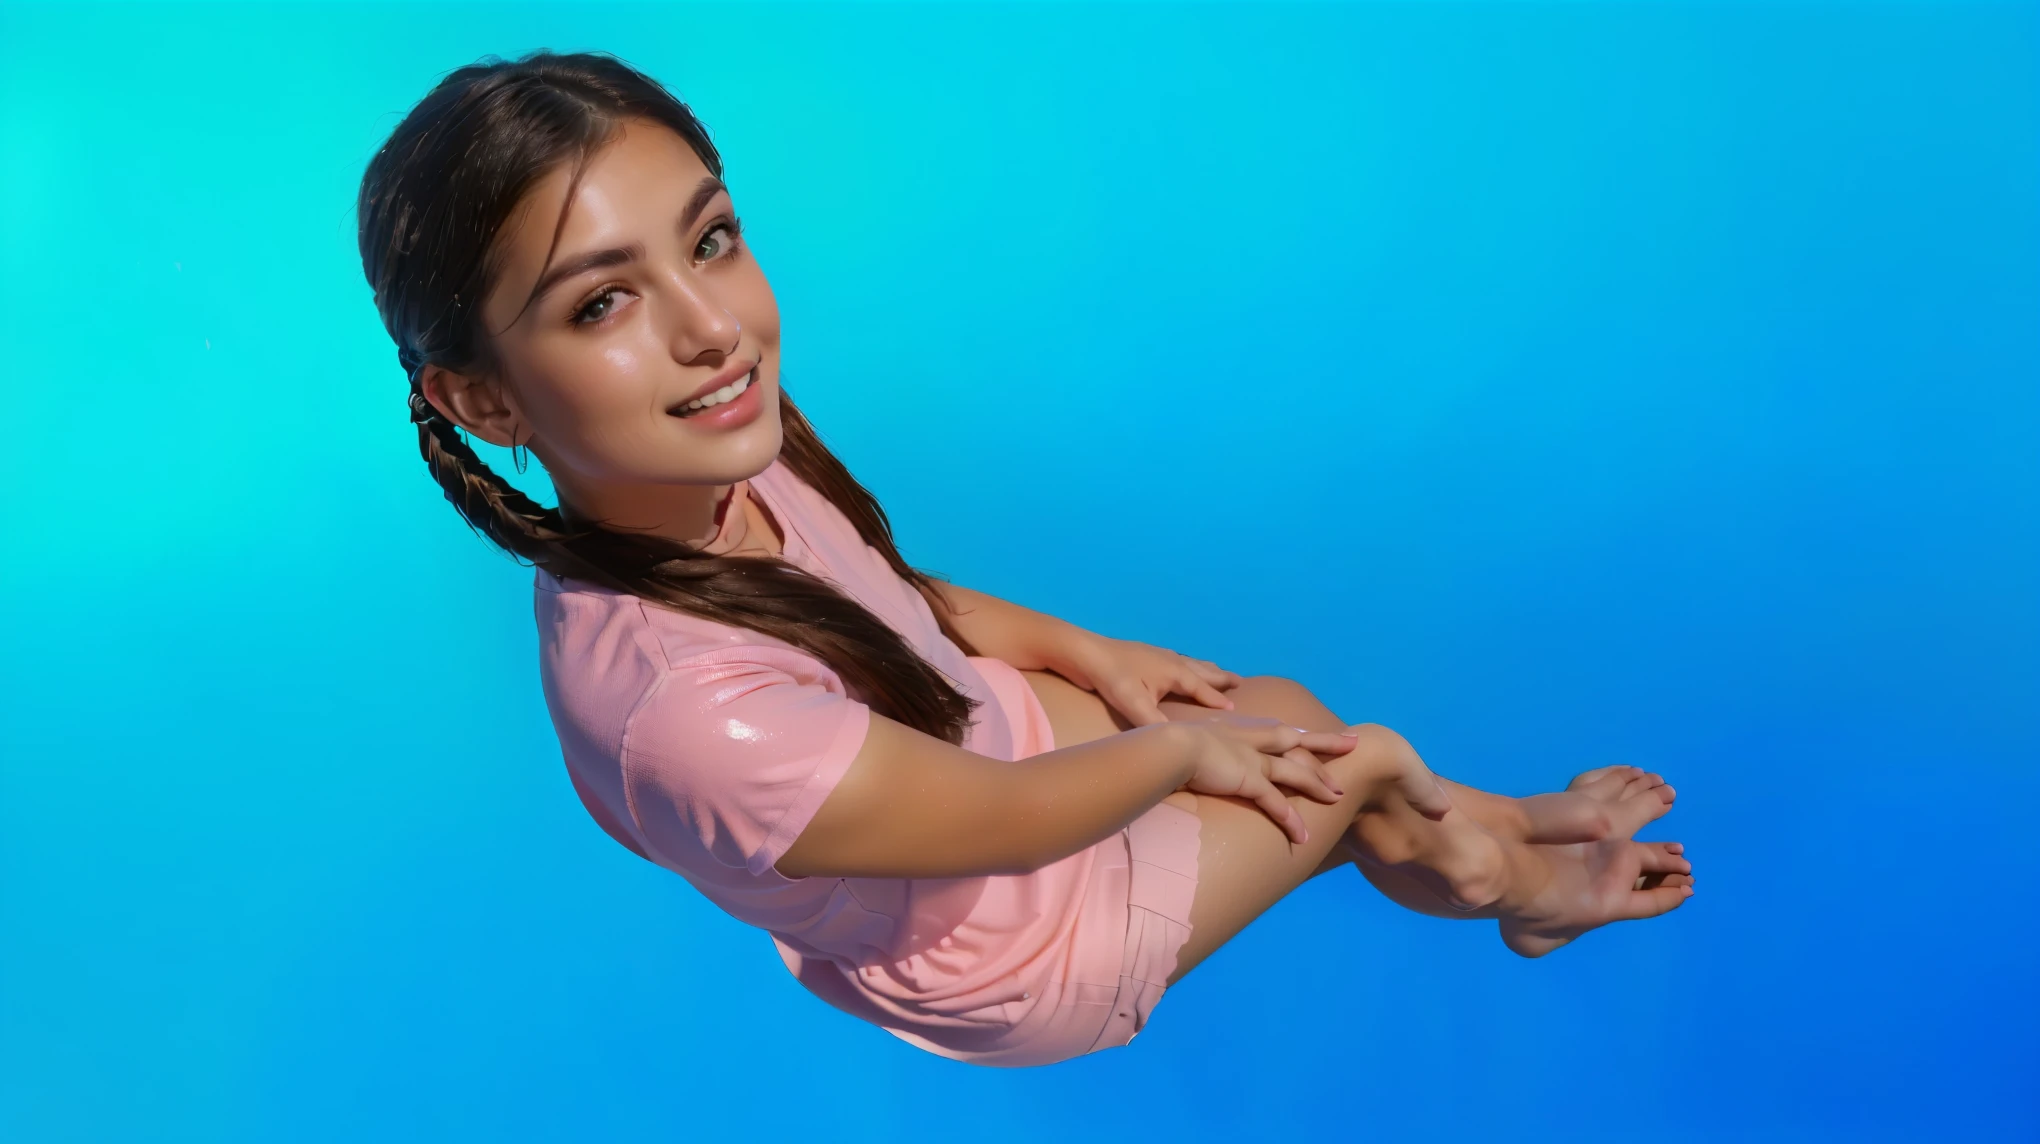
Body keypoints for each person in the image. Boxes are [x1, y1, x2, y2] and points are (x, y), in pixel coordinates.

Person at [356, 50, 1694, 1068]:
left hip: (961, 746)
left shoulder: (695, 456)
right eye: (603, 302)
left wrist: (1080, 654)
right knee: (1338, 756)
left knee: (1283, 729)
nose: (713, 327)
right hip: (1001, 937)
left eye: (710, 239)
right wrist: (1178, 753)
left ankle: (1482, 838)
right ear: (486, 402)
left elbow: (880, 594)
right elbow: (996, 826)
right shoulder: (686, 718)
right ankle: (1517, 879)